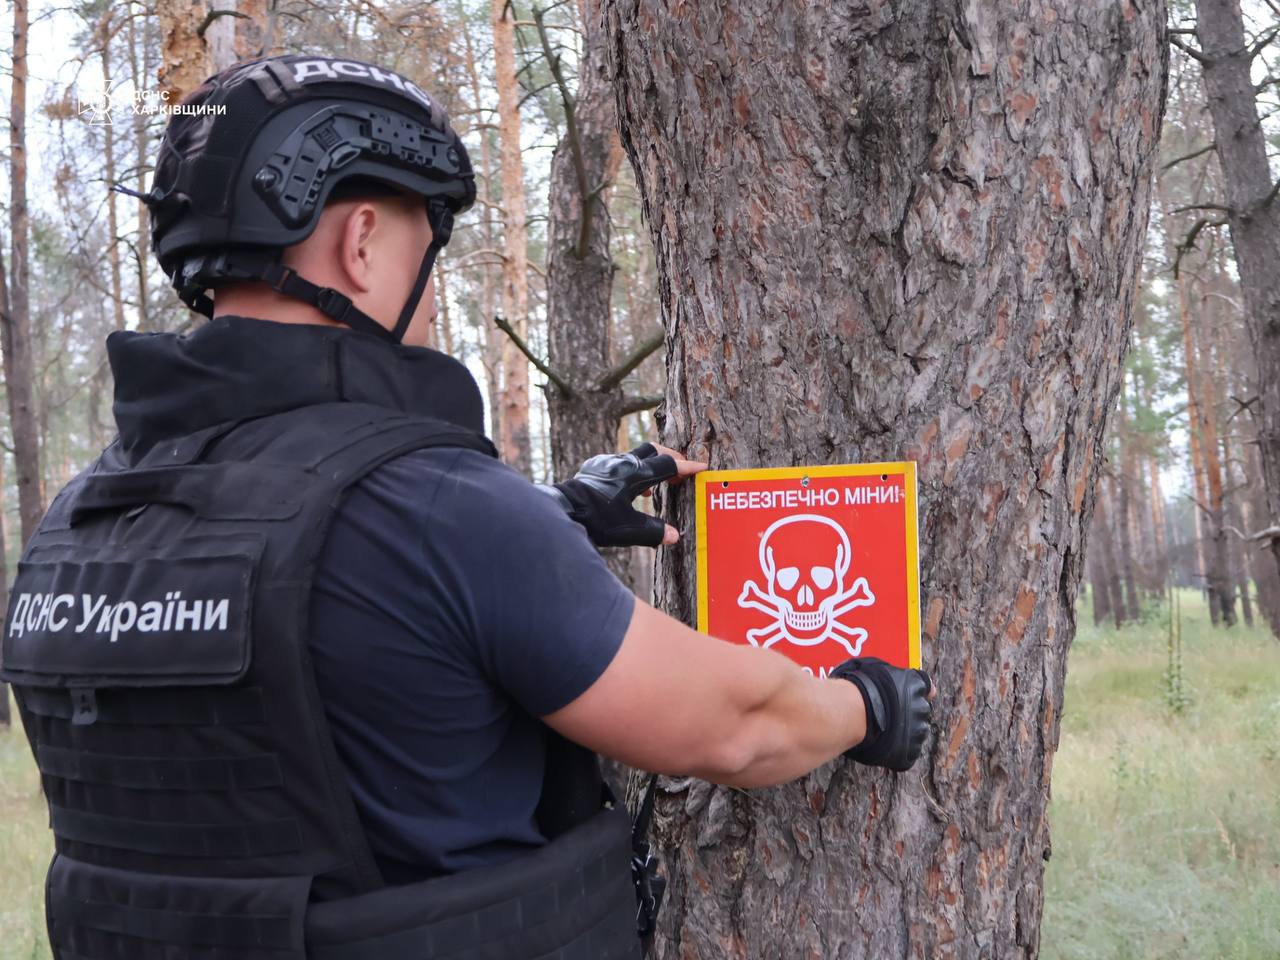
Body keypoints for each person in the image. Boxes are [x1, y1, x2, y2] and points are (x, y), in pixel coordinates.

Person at [0, 55, 932, 960]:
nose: (432, 288)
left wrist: (549, 519)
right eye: (429, 240)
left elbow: (325, 633)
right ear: (362, 241)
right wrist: (865, 702)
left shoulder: (72, 532)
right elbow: (735, 726)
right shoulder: (441, 514)